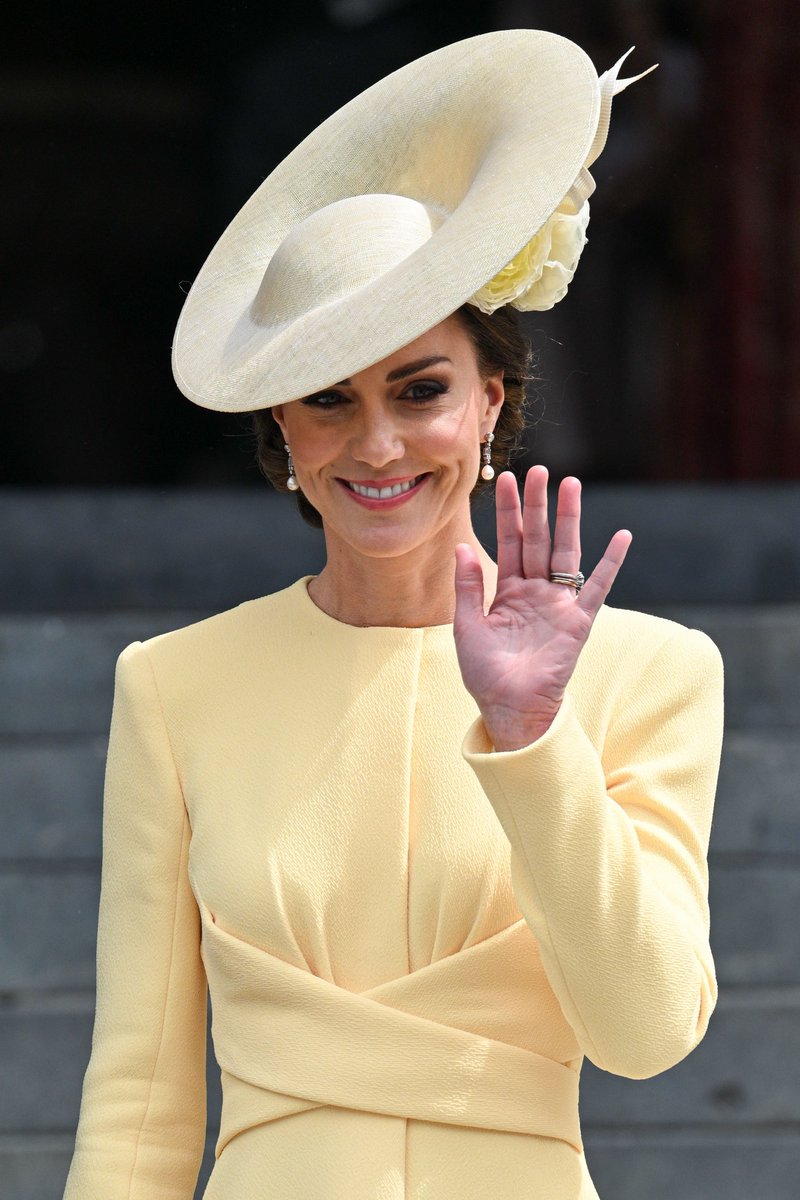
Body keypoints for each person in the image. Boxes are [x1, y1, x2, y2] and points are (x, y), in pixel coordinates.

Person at [63, 29, 724, 1200]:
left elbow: (649, 1030)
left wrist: (531, 738)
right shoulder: (172, 684)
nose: (373, 445)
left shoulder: (650, 672)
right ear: (281, 435)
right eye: (327, 401)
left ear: (490, 402)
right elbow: (139, 1096)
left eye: (418, 390)